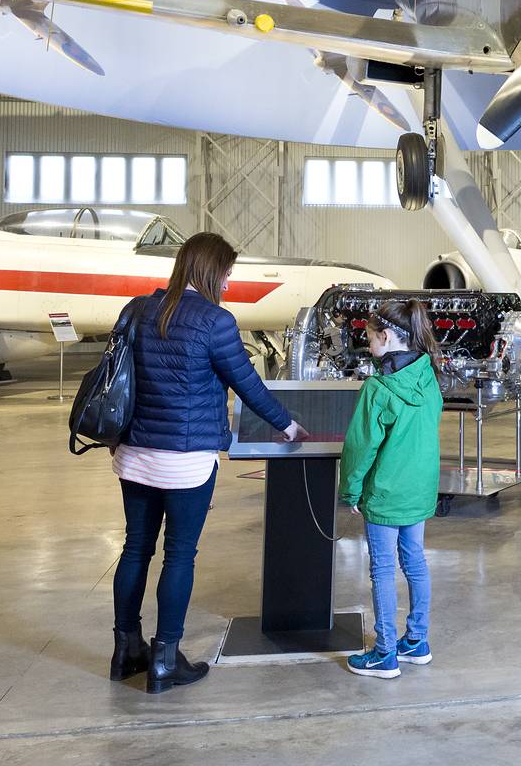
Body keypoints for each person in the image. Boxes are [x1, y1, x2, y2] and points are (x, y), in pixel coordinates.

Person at [109, 232, 305, 694]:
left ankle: (125, 650)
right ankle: (163, 659)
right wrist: (287, 424)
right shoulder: (214, 321)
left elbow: (117, 374)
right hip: (186, 460)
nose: (230, 280)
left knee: (136, 549)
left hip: (134, 453)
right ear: (212, 271)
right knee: (179, 554)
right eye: (228, 271)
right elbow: (247, 383)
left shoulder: (136, 310)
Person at [339, 299, 444, 679]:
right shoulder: (428, 375)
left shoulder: (378, 389)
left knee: (383, 569)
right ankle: (416, 641)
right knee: (414, 563)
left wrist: (350, 491)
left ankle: (384, 652)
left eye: (369, 338)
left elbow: (359, 448)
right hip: (419, 491)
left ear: (385, 336)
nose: (368, 346)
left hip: (385, 494)